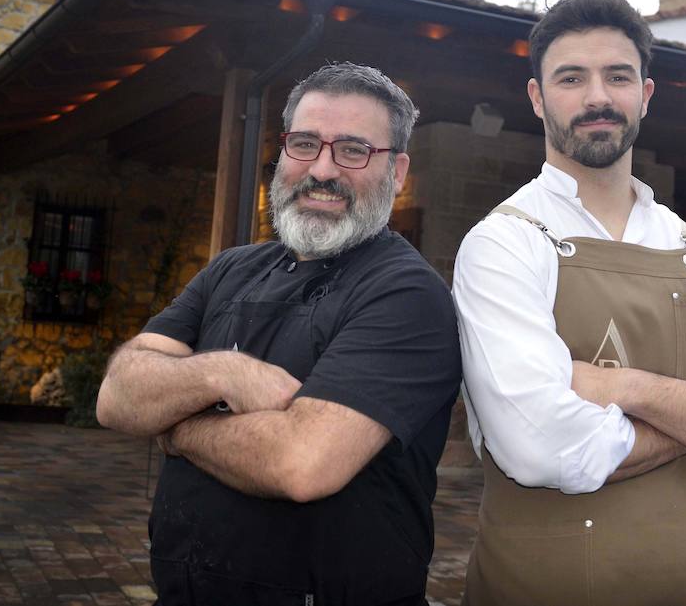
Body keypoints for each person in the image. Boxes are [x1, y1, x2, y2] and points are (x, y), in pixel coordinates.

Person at [453, 0, 686, 605]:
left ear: (645, 94)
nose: (598, 96)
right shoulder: (504, 243)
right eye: (572, 78)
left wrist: (625, 389)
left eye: (617, 76)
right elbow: (540, 448)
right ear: (538, 98)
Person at [96, 63, 462, 606]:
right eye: (305, 143)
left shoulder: (406, 294)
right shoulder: (231, 269)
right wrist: (225, 371)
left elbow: (301, 464)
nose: (322, 169)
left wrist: (177, 427)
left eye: (353, 150)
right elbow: (116, 396)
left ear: (398, 171)